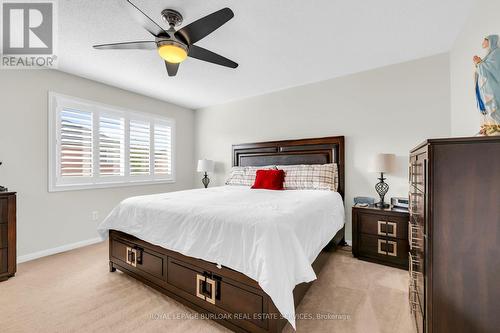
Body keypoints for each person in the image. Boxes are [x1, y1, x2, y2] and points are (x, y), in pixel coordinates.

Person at [473, 35, 500, 135]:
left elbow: (493, 69)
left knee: (494, 106)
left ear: (491, 41)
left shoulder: (496, 53)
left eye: (485, 40)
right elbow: (483, 70)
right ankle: (489, 126)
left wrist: (479, 63)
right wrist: (478, 63)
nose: (483, 43)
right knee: (486, 106)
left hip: (493, 87)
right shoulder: (489, 54)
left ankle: (497, 126)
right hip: (485, 88)